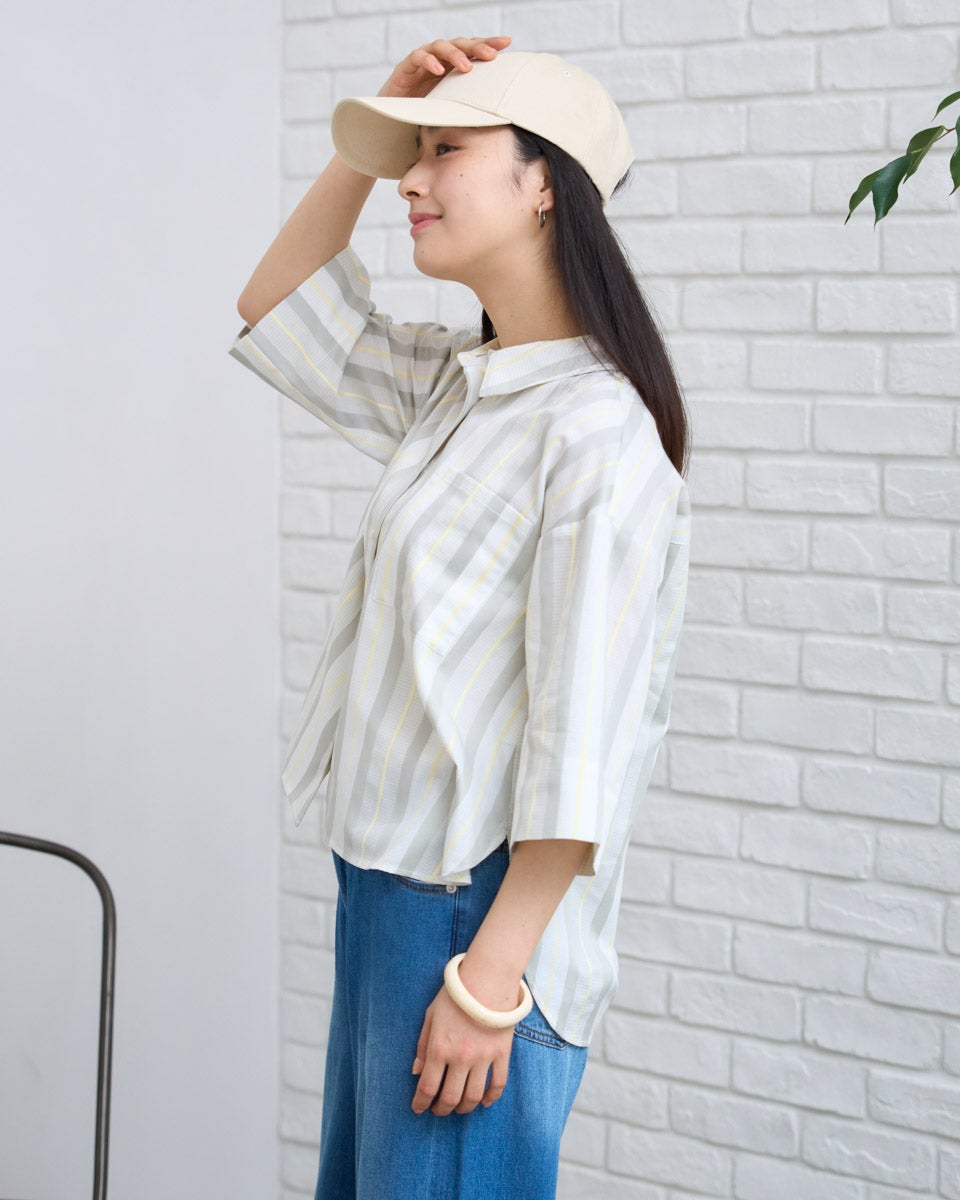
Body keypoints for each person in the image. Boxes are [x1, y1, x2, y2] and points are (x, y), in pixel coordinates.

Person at [229, 35, 692, 1200]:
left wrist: (489, 983)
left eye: (445, 152)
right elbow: (277, 306)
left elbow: (582, 739)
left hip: (475, 918)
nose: (411, 181)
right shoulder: (461, 387)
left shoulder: (597, 434)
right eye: (413, 156)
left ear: (545, 185)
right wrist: (383, 116)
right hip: (389, 895)